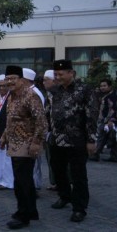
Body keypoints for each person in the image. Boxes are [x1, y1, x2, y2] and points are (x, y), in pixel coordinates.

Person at [46, 59, 99, 223]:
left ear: (71, 73)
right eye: (55, 74)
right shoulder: (55, 91)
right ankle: (64, 196)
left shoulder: (85, 90)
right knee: (58, 171)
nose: (58, 77)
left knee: (78, 175)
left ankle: (79, 208)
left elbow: (92, 115)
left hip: (77, 140)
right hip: (57, 139)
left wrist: (91, 139)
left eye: (61, 74)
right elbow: (50, 112)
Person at [0, 66, 47, 230]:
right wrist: (4, 137)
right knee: (24, 180)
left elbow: (41, 121)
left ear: (21, 80)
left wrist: (36, 142)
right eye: (7, 79)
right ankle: (31, 211)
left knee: (22, 182)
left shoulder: (30, 96)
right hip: (14, 143)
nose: (10, 82)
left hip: (26, 144)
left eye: (13, 78)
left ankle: (23, 216)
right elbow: (11, 120)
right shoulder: (11, 96)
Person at [89, 79, 117, 162]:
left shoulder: (113, 96)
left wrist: (111, 120)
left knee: (101, 136)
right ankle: (113, 155)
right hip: (105, 120)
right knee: (110, 137)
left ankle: (96, 154)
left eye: (104, 86)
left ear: (110, 86)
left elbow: (114, 109)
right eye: (101, 86)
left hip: (109, 121)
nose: (102, 87)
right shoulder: (105, 95)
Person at [42, 70, 58, 191]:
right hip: (49, 133)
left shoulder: (59, 94)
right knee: (51, 159)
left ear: (54, 81)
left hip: (59, 134)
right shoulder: (48, 94)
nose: (43, 82)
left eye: (46, 79)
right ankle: (55, 182)